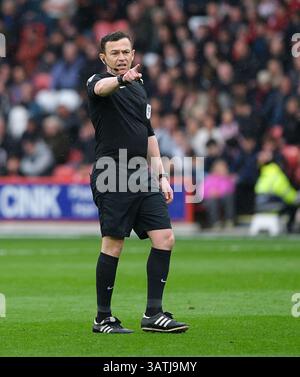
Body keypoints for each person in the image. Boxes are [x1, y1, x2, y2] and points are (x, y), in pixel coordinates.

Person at [86, 31, 188, 334]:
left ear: (133, 54)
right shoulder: (97, 82)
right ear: (104, 58)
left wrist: (162, 177)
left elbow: (149, 137)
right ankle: (102, 318)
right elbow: (103, 88)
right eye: (114, 53)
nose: (121, 57)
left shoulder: (140, 88)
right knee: (114, 245)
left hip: (141, 174)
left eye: (125, 52)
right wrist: (121, 80)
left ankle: (153, 315)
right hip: (111, 172)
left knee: (165, 238)